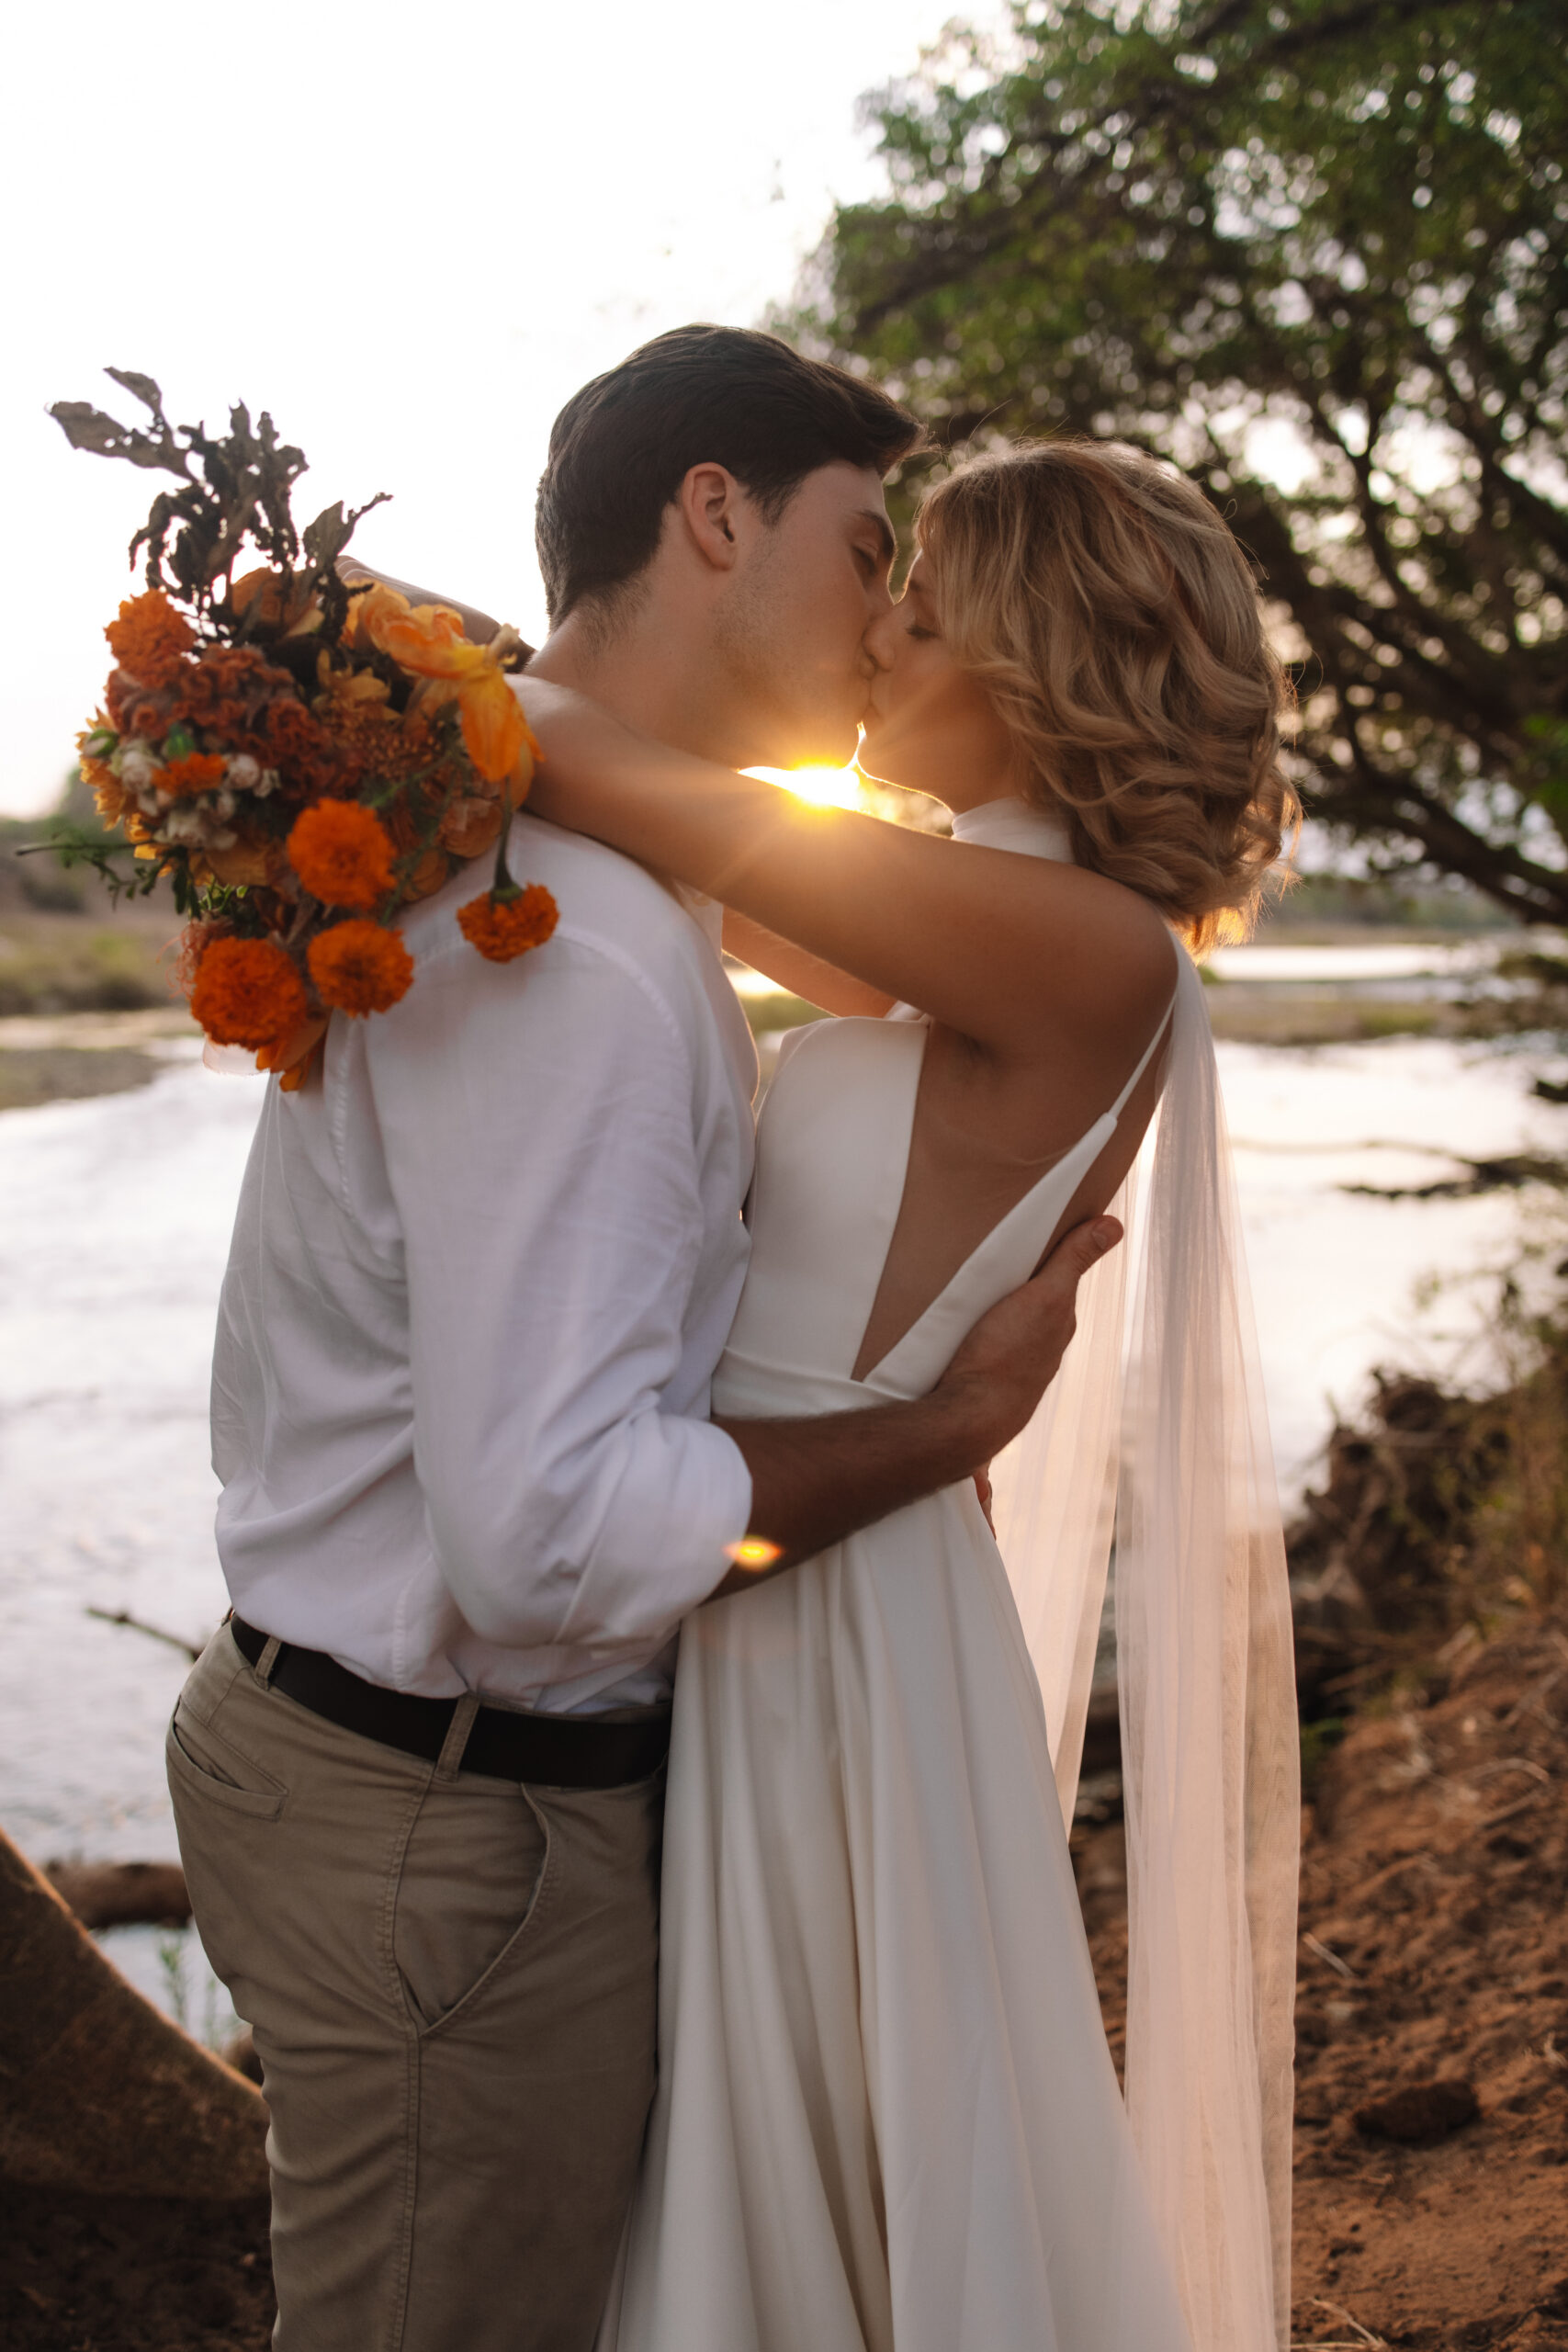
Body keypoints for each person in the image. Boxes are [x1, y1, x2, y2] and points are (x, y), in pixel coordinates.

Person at [165, 328, 1123, 2352]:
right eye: (868, 547)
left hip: (366, 1761)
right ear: (714, 513)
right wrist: (947, 1428)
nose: (884, 618)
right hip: (450, 1827)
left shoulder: (544, 885)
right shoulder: (576, 955)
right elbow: (548, 1533)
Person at [516, 436, 1302, 2352]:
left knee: (854, 2140)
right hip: (794, 1569)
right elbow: (675, 853)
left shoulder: (1091, 950)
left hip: (836, 1615)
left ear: (1041, 658)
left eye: (921, 605)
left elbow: (616, 779)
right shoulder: (970, 917)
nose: (872, 638)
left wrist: (390, 656)